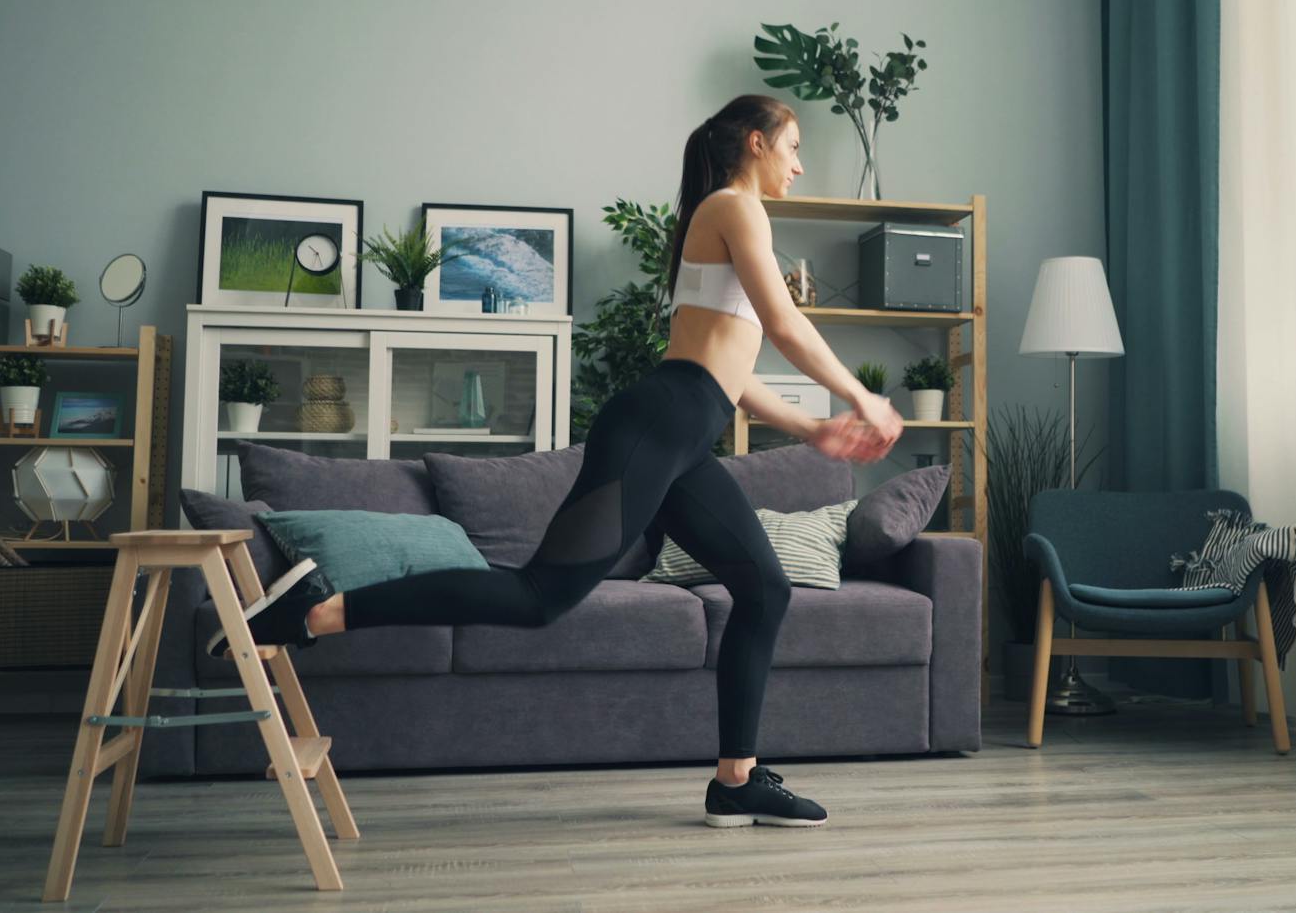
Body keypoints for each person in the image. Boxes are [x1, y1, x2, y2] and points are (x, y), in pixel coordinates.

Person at [208, 93, 905, 827]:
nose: (800, 164)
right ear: (757, 143)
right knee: (539, 598)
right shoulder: (736, 206)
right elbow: (784, 324)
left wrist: (811, 428)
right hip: (655, 427)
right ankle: (315, 611)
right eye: (794, 147)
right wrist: (862, 396)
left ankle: (736, 780)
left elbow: (729, 369)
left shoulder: (725, 216)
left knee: (764, 587)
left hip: (679, 436)